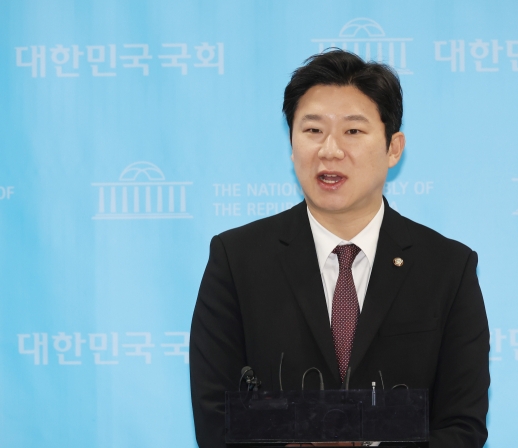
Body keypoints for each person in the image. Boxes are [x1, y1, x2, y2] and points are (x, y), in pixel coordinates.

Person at [190, 49, 490, 448]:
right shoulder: (237, 259)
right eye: (312, 130)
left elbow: (462, 426)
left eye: (353, 131)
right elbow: (217, 420)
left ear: (393, 148)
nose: (330, 150)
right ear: (292, 143)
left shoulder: (447, 267)